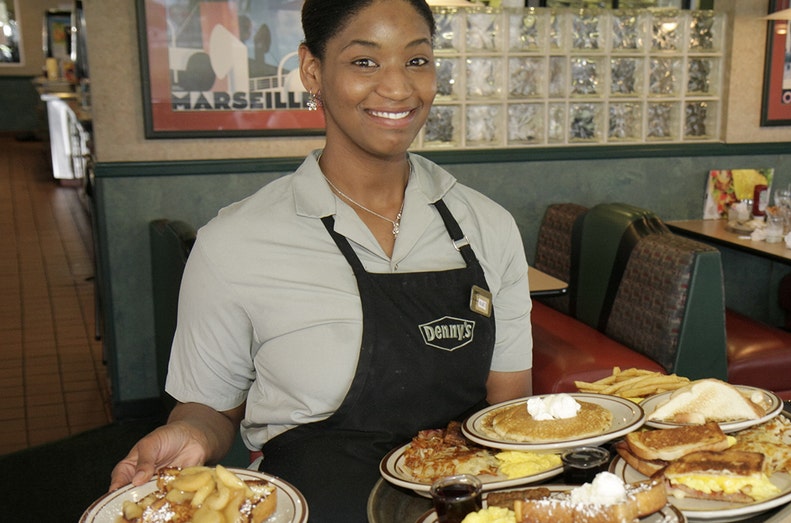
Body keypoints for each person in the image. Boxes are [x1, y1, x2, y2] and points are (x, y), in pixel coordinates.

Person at [108, 0, 533, 521]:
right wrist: (191, 433)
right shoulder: (233, 244)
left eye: (417, 61)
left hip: (463, 504)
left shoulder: (489, 227)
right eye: (365, 62)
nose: (399, 88)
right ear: (313, 70)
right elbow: (211, 407)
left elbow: (506, 415)